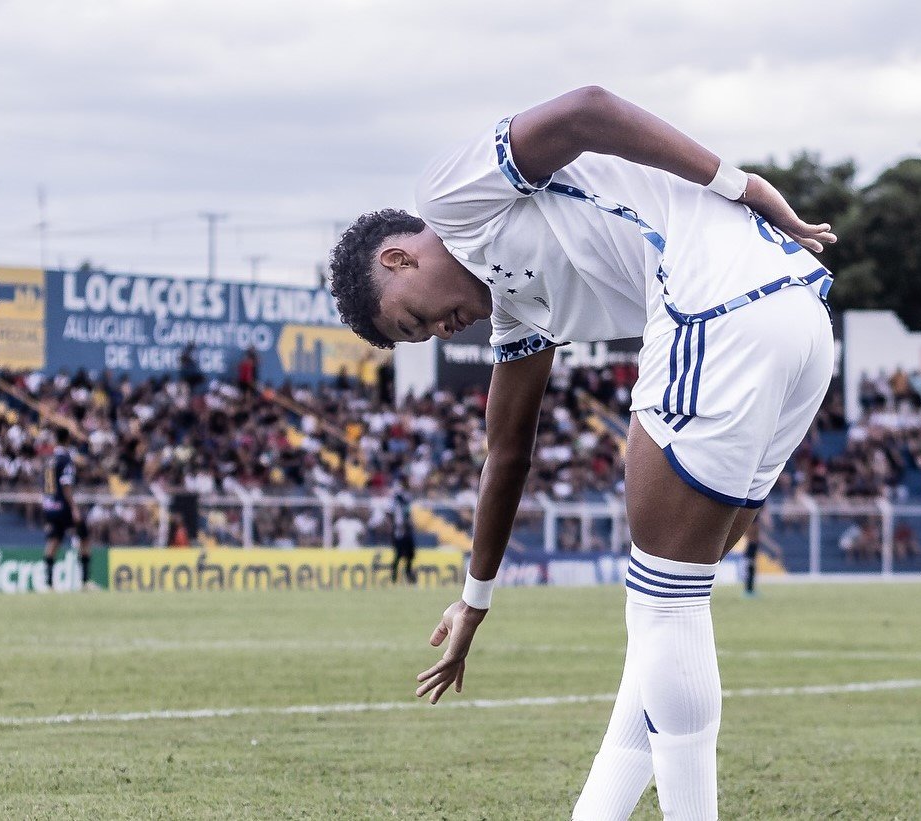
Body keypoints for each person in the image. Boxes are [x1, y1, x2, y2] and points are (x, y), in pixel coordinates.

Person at [328, 86, 835, 820]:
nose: (440, 331)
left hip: (714, 313)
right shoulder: (517, 308)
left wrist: (741, 183)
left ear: (401, 256)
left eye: (415, 318)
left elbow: (587, 111)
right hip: (798, 323)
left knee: (665, 608)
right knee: (666, 616)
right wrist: (476, 600)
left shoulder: (449, 197)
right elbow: (506, 456)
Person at [42, 426, 92, 591]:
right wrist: (74, 508)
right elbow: (66, 485)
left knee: (54, 541)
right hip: (64, 506)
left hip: (50, 505)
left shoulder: (49, 459)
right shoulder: (66, 459)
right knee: (84, 537)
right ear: (68, 440)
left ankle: (48, 584)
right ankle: (85, 581)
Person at [390, 474, 417, 585]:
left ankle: (408, 576)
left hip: (406, 529)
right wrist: (397, 525)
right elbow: (394, 513)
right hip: (399, 530)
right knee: (399, 554)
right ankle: (395, 577)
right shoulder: (398, 497)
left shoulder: (405, 496)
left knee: (410, 555)